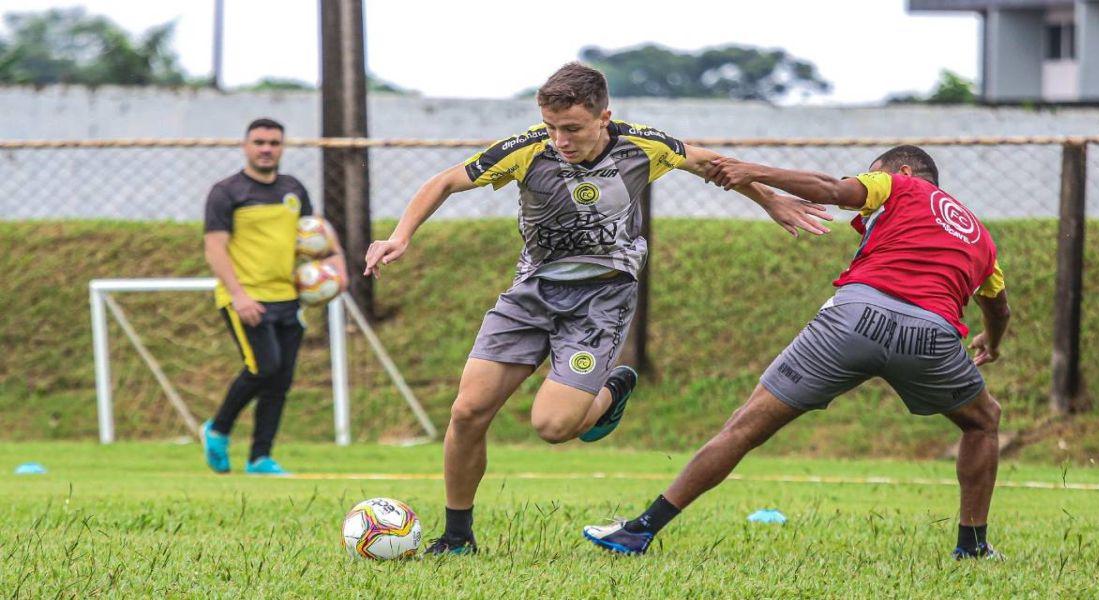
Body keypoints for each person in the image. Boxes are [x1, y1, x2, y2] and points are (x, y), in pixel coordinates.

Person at [363, 62, 832, 555]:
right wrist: (400, 236)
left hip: (600, 302)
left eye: (572, 129)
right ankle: (457, 536)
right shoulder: (527, 150)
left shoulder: (643, 145)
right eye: (551, 127)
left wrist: (770, 201)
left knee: (554, 428)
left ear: (603, 116)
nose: (560, 140)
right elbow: (443, 182)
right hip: (531, 293)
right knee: (467, 412)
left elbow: (716, 165)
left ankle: (612, 388)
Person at [583, 145, 1010, 560]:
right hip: (932, 336)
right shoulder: (980, 237)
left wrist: (753, 171)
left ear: (904, 171)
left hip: (854, 318)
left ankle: (641, 530)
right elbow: (998, 304)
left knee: (743, 428)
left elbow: (832, 189)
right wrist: (992, 342)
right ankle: (972, 546)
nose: (865, 197)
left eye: (870, 173)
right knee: (982, 422)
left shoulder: (899, 185)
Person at [201, 118, 347, 476]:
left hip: (288, 297)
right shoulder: (227, 192)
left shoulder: (293, 189)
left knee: (281, 379)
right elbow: (214, 248)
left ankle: (260, 458)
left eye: (274, 143)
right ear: (245, 146)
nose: (266, 149)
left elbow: (317, 235)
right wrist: (238, 295)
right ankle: (217, 430)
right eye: (259, 142)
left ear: (282, 147)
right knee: (262, 368)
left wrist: (337, 267)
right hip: (246, 297)